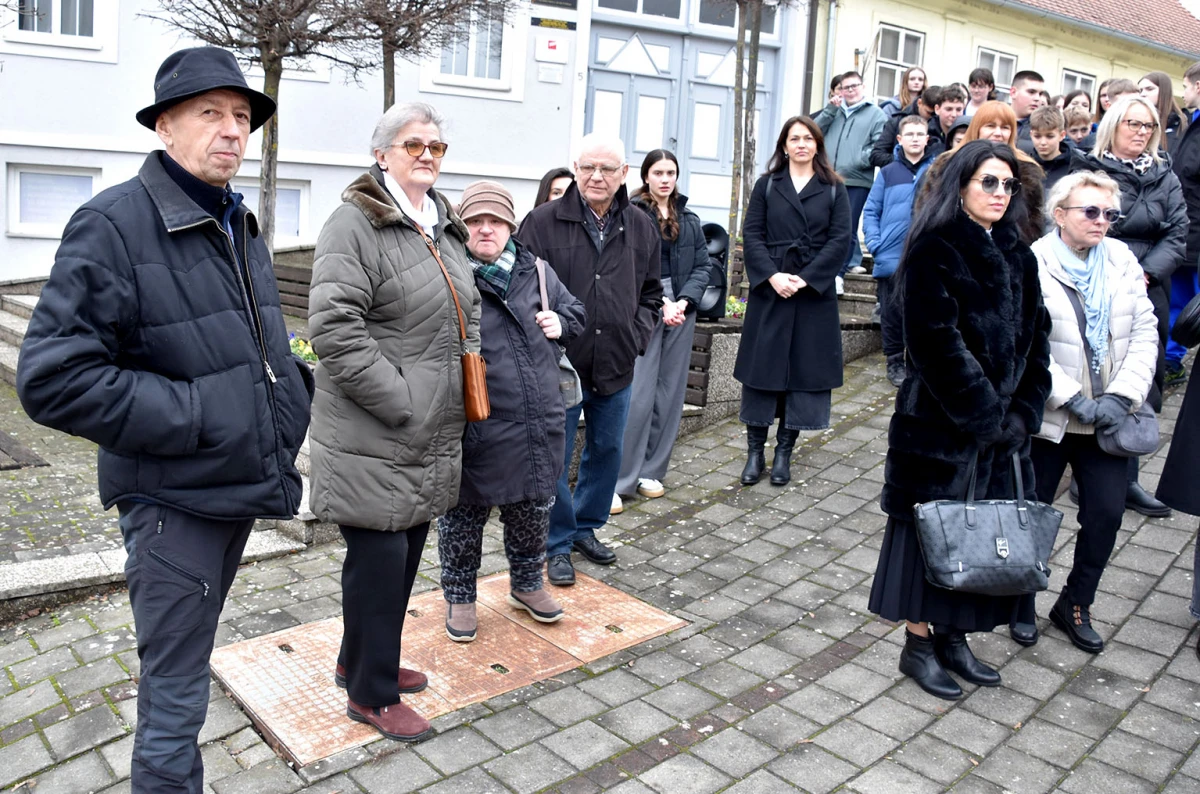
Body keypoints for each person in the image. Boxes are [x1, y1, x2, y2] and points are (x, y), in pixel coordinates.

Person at [16, 48, 313, 790]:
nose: (232, 131)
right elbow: (52, 380)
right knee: (175, 698)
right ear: (165, 125)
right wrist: (203, 413)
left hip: (233, 488)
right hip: (172, 506)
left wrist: (292, 389)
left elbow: (243, 341)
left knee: (187, 666)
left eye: (242, 116)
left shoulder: (233, 218)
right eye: (210, 112)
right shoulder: (113, 224)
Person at [308, 101, 479, 743]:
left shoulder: (440, 222)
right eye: (412, 145)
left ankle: (359, 660)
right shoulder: (354, 225)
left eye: (435, 145)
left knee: (403, 554)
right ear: (381, 155)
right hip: (376, 432)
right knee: (378, 561)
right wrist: (404, 401)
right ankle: (371, 695)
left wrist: (466, 383)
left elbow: (467, 311)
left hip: (429, 431)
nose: (427, 154)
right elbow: (334, 329)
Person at [868, 140, 1052, 700]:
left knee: (977, 540)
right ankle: (918, 645)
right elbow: (934, 343)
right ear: (962, 187)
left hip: (1001, 434)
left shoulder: (1021, 252)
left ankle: (953, 638)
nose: (999, 193)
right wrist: (983, 413)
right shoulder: (934, 247)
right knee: (932, 535)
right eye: (988, 182)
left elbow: (1038, 339)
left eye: (1007, 185)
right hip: (941, 427)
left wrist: (1023, 412)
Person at [1009, 171, 1158, 652]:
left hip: (1109, 421)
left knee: (1107, 515)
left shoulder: (1121, 259)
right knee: (1034, 514)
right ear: (1059, 215)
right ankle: (1020, 598)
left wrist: (1122, 397)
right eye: (1090, 211)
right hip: (1053, 418)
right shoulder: (1033, 263)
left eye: (1109, 214)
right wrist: (1070, 396)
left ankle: (1075, 602)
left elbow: (1144, 332)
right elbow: (1027, 340)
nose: (1101, 221)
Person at [439, 181, 585, 641]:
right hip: (476, 421)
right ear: (462, 228)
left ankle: (526, 584)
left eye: (495, 221)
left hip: (538, 422)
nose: (486, 230)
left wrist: (562, 322)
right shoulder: (447, 273)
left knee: (532, 512)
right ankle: (460, 596)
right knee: (464, 517)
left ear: (510, 226)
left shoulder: (537, 271)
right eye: (476, 221)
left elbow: (577, 313)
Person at [516, 133, 662, 586]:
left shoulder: (641, 226)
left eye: (607, 169)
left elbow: (652, 294)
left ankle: (585, 527)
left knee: (608, 450)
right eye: (587, 168)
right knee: (555, 458)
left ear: (624, 174)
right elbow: (520, 288)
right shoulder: (541, 223)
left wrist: (636, 335)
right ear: (575, 169)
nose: (596, 177)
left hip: (617, 360)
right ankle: (556, 543)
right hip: (561, 363)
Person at [1073, 94, 1187, 517]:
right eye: (1133, 124)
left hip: (1148, 284)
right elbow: (1077, 224)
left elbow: (1178, 233)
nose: (1141, 133)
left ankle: (1128, 476)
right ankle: (1084, 474)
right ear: (1114, 125)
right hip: (1095, 280)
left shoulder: (1165, 175)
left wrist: (1143, 273)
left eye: (1148, 127)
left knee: (1139, 376)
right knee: (1092, 373)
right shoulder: (1089, 170)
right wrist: (1113, 271)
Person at [734, 116, 851, 487]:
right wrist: (772, 276)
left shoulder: (834, 188)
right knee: (761, 372)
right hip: (771, 291)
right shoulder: (768, 185)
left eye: (808, 138)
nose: (801, 144)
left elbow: (840, 239)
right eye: (794, 138)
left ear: (817, 144)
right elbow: (751, 234)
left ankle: (784, 452)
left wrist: (808, 278)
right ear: (784, 145)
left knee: (802, 374)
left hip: (812, 295)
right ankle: (755, 452)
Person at [615, 150, 714, 508]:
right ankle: (620, 478)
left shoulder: (688, 219)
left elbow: (703, 267)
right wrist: (662, 304)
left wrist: (684, 301)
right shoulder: (629, 214)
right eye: (658, 172)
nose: (665, 179)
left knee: (670, 393)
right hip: (643, 305)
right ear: (646, 176)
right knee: (639, 392)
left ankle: (651, 472)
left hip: (681, 308)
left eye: (671, 172)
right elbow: (625, 265)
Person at [863, 115, 936, 388]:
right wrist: (876, 244)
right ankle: (894, 361)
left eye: (921, 134)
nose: (916, 138)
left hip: (925, 254)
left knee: (921, 311)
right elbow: (871, 211)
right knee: (892, 313)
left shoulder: (937, 170)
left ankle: (917, 361)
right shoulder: (887, 173)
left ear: (927, 138)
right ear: (900, 139)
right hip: (890, 255)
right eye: (910, 134)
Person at [917, 101, 1046, 244]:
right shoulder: (947, 165)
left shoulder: (1027, 172)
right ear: (977, 128)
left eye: (1005, 127)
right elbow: (928, 212)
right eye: (990, 126)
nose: (998, 133)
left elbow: (1032, 225)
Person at [814, 71, 888, 281]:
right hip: (826, 177)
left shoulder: (876, 114)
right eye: (846, 87)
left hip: (856, 180)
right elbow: (814, 131)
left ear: (863, 87)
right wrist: (830, 110)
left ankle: (839, 274)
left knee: (846, 225)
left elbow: (879, 145)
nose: (851, 90)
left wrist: (858, 160)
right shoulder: (833, 111)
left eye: (855, 86)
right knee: (822, 223)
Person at [1168, 61, 1200, 386]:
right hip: (1186, 233)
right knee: (1180, 305)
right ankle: (1172, 361)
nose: (1183, 92)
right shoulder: (1190, 125)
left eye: (1186, 86)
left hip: (1197, 235)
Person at [871, 85, 939, 169]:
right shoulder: (896, 122)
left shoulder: (941, 125)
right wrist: (904, 161)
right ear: (919, 103)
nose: (933, 117)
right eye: (929, 113)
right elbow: (876, 155)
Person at [1026, 106, 1085, 195]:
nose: (1043, 142)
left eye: (1050, 136)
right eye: (1037, 136)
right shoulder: (1025, 166)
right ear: (1031, 135)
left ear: (1062, 135)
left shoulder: (1076, 167)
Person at [1139, 71, 1189, 153]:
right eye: (1140, 90)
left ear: (1164, 91)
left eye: (1149, 89)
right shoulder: (1135, 121)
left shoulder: (1180, 124)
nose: (1143, 94)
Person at [928, 85, 966, 153]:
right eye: (949, 109)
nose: (954, 115)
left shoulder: (969, 131)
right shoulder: (927, 133)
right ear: (937, 109)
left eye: (958, 110)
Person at [1010, 70, 1046, 142]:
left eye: (1040, 94)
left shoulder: (1046, 125)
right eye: (1031, 92)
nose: (1037, 98)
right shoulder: (992, 117)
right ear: (1013, 92)